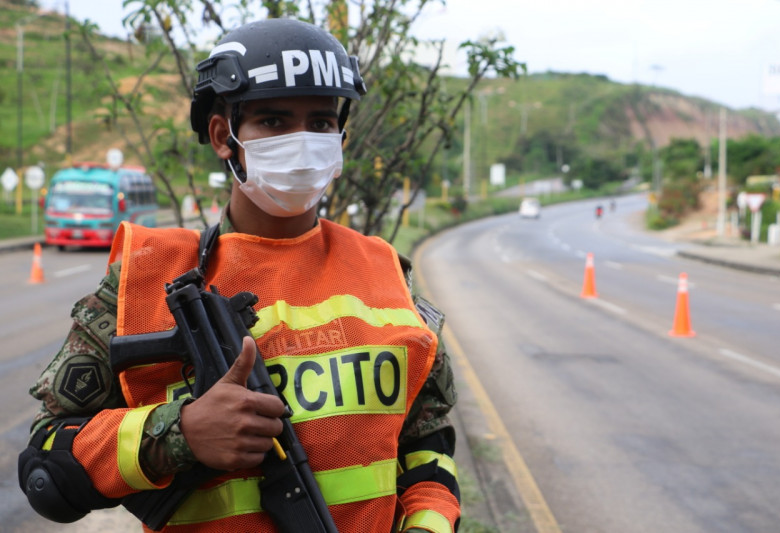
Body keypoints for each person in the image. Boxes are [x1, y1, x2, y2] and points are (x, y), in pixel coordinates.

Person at [19, 18, 460, 533]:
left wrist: (429, 525)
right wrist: (177, 433)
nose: (302, 141)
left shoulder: (384, 271)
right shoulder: (148, 274)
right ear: (222, 136)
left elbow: (426, 442)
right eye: (273, 122)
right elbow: (46, 469)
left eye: (320, 123)